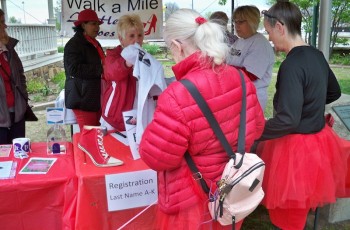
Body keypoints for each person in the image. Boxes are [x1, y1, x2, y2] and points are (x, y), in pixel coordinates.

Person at [139, 8, 265, 230]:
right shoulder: (240, 77)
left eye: (170, 49)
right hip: (229, 190)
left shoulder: (177, 94)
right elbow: (257, 127)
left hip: (192, 198)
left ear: (178, 46)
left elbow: (157, 158)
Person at [257, 1, 349, 229]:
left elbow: (288, 119)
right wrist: (311, 104)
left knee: (288, 217)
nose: (269, 39)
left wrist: (256, 131)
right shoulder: (317, 55)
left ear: (280, 26)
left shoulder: (292, 64)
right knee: (300, 209)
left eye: (268, 32)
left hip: (295, 151)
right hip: (317, 143)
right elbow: (333, 91)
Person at [100, 14, 144, 131]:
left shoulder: (143, 57)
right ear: (121, 39)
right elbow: (111, 72)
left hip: (136, 114)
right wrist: (126, 63)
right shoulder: (112, 55)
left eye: (140, 35)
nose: (137, 40)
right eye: (131, 36)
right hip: (114, 117)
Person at [227, 5, 275, 112]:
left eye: (241, 22)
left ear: (252, 22)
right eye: (235, 21)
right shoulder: (240, 41)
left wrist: (223, 70)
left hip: (252, 98)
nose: (237, 25)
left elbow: (249, 75)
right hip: (239, 95)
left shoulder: (259, 44)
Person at [64, 9, 105, 131]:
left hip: (93, 96)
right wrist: (101, 68)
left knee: (97, 132)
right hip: (82, 97)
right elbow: (73, 69)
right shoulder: (74, 44)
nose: (97, 27)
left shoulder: (93, 42)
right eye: (93, 23)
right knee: (90, 134)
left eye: (98, 24)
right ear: (83, 25)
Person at [0, 9, 28, 144]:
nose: (5, 26)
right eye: (1, 22)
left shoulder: (8, 48)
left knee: (19, 153)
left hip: (16, 112)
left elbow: (20, 75)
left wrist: (23, 98)